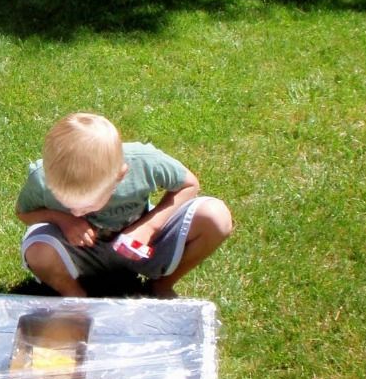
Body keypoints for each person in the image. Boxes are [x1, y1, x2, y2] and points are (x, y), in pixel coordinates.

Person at [15, 113, 232, 298]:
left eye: (88, 205)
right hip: (83, 251)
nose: (77, 212)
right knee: (38, 251)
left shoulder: (144, 160)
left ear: (120, 176)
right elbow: (24, 213)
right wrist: (63, 219)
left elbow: (189, 185)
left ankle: (161, 286)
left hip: (142, 246)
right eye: (66, 204)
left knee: (215, 217)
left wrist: (149, 227)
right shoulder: (41, 179)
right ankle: (77, 298)